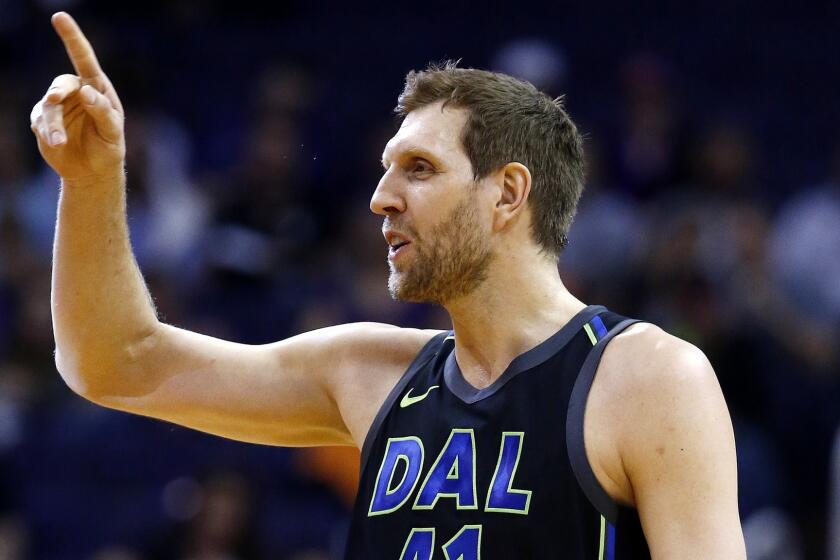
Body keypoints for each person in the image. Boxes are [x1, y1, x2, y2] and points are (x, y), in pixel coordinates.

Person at [30, 12, 745, 559]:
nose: (380, 197)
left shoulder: (649, 379)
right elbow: (115, 362)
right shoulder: (369, 372)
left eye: (419, 169)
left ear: (507, 194)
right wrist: (92, 183)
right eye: (384, 168)